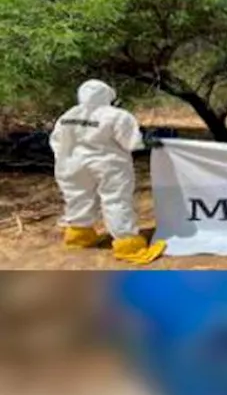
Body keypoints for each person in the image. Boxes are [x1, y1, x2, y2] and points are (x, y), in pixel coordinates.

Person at [49, 80, 166, 265]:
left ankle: (79, 236)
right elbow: (131, 142)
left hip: (71, 165)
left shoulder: (68, 115)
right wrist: (148, 142)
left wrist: (70, 156)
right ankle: (128, 245)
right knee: (115, 200)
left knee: (78, 198)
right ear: (108, 96)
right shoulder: (117, 116)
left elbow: (56, 141)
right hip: (108, 165)